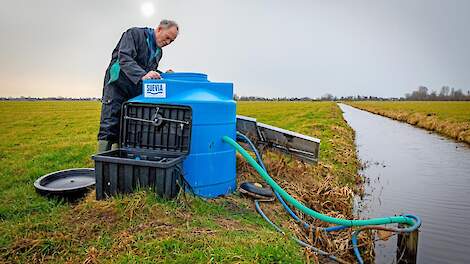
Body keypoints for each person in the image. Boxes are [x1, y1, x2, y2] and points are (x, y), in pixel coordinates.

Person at [97, 19, 179, 152]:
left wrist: (163, 75)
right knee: (110, 124)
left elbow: (149, 71)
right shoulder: (134, 34)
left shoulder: (158, 52)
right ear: (159, 29)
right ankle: (102, 161)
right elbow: (125, 58)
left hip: (134, 90)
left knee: (127, 126)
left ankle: (120, 160)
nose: (168, 42)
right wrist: (143, 75)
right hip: (117, 85)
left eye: (171, 41)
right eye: (167, 38)